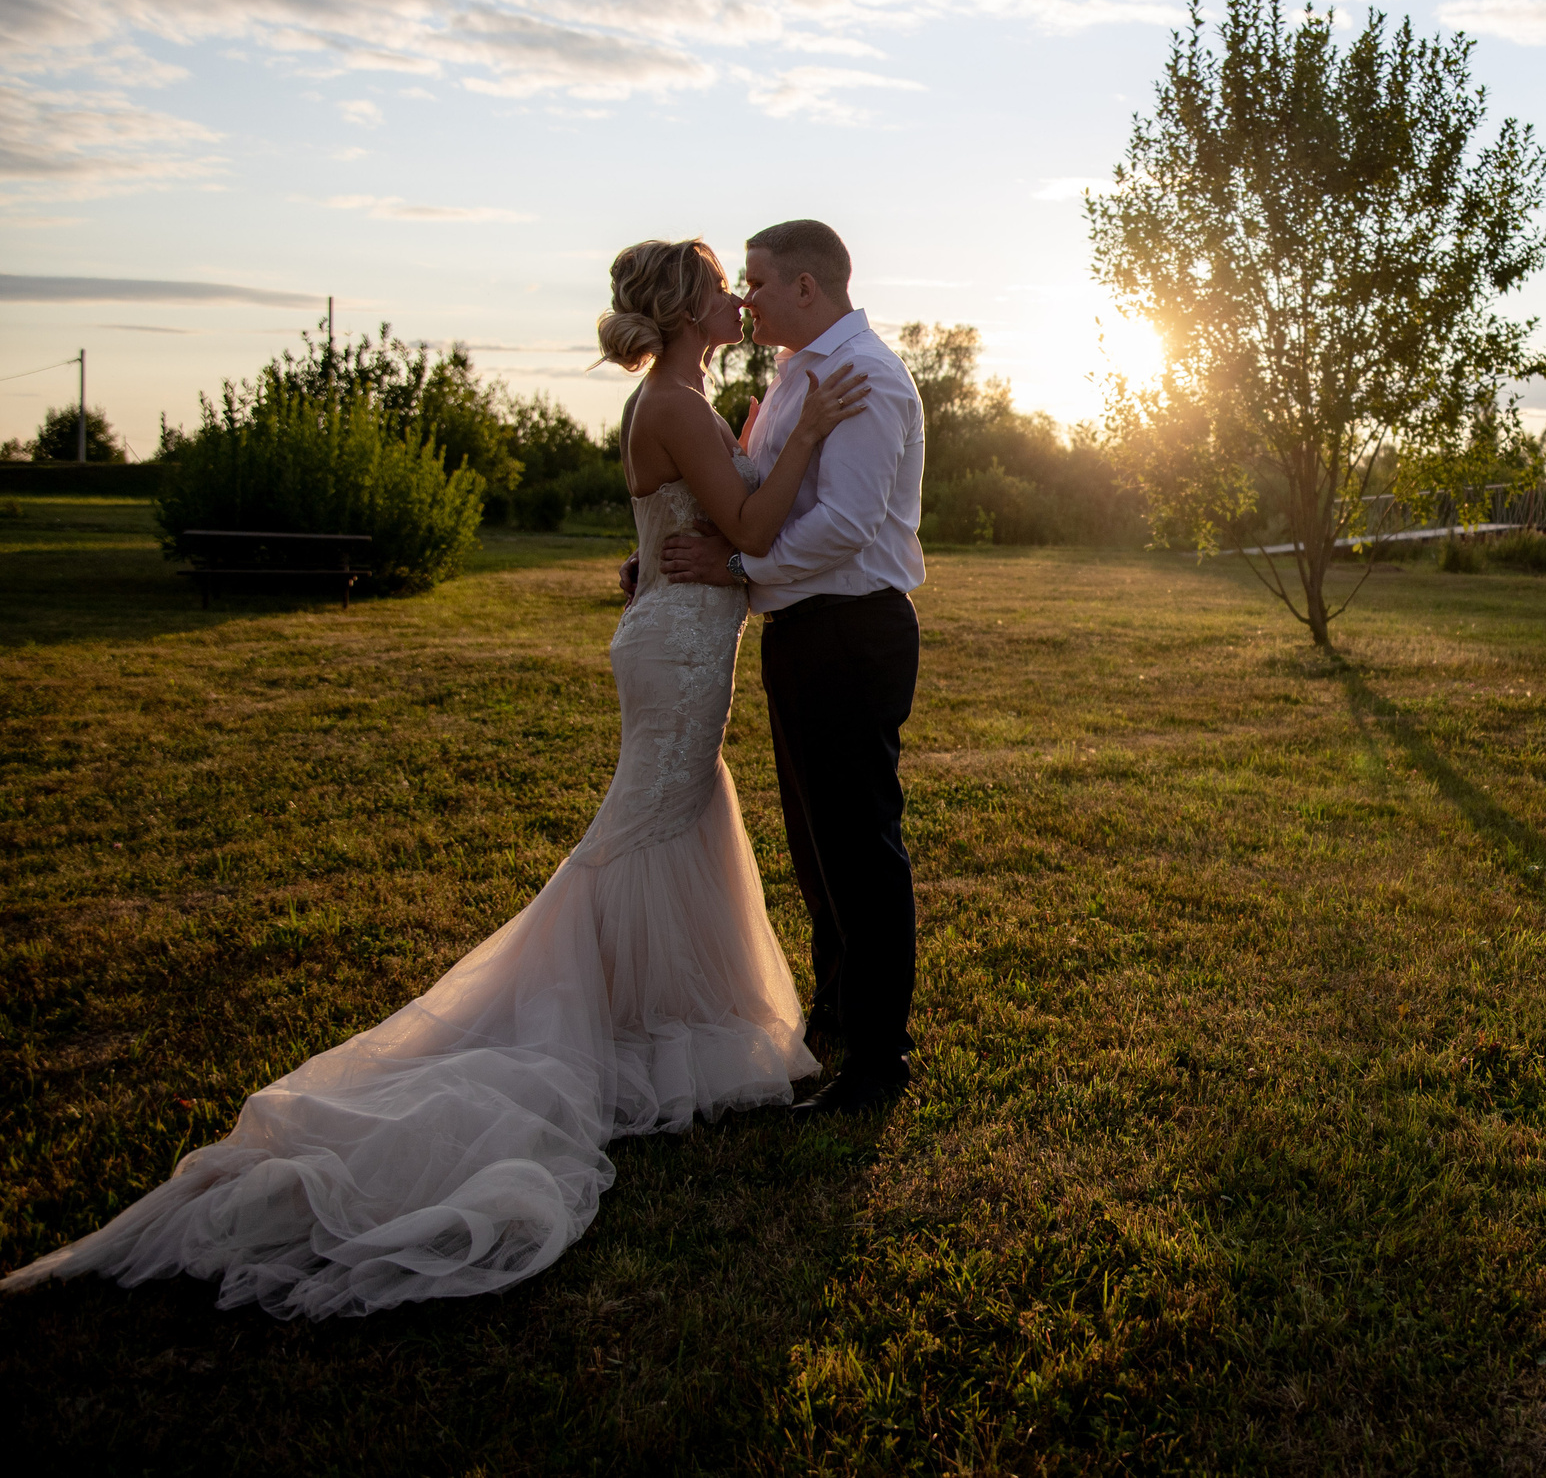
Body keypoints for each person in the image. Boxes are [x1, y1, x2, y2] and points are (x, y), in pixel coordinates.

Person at [0, 238, 870, 1319]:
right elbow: (746, 525)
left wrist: (707, 522)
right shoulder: (676, 403)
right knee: (644, 827)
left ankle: (662, 1033)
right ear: (688, 310)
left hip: (686, 638)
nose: (738, 297)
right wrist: (814, 437)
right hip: (680, 649)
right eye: (719, 284)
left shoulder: (688, 395)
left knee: (675, 818)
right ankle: (602, 1029)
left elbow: (696, 523)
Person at [650, 219, 928, 1118]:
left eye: (761, 282)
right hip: (806, 632)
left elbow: (845, 525)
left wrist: (739, 571)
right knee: (818, 846)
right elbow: (754, 500)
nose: (748, 298)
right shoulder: (794, 377)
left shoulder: (862, 377)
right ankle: (839, 1015)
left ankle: (881, 1060)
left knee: (859, 846)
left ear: (808, 287)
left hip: (852, 631)